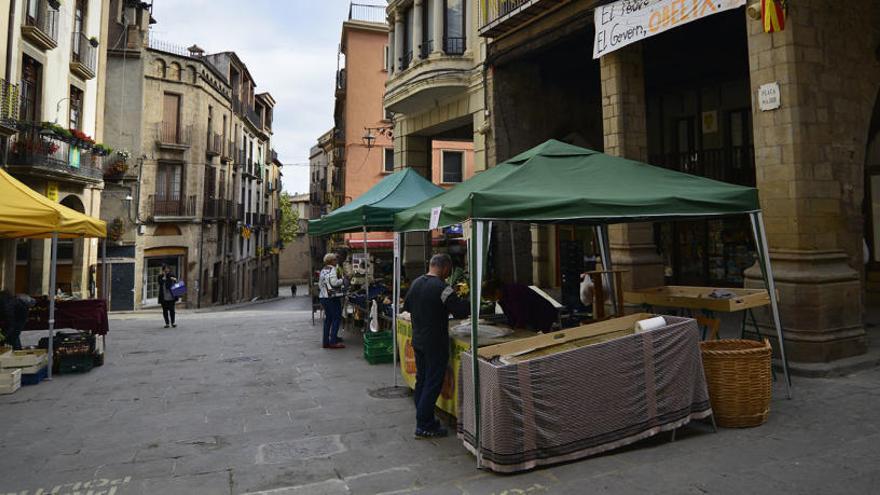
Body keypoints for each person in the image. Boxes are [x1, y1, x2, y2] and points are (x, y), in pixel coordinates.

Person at [403, 254, 470, 439]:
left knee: (422, 380)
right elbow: (461, 310)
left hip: (418, 339)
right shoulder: (443, 288)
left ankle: (424, 418)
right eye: (448, 270)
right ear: (445, 268)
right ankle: (424, 425)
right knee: (433, 382)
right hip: (435, 342)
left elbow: (407, 306)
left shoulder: (416, 283)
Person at [483, 279, 558, 332]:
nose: (493, 301)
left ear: (497, 291)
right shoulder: (502, 299)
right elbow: (510, 316)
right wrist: (512, 328)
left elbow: (522, 313)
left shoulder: (514, 291)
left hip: (543, 314)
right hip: (532, 318)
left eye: (491, 298)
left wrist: (518, 328)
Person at [318, 253, 345, 349]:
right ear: (331, 261)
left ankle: (326, 341)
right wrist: (342, 280)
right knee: (336, 318)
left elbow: (320, 284)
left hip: (323, 297)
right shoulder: (332, 269)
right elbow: (334, 282)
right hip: (332, 297)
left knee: (328, 319)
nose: (336, 261)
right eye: (335, 260)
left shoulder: (323, 270)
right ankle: (333, 341)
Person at [157, 264, 179, 328]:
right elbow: (159, 283)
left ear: (169, 269)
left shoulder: (172, 275)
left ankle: (173, 322)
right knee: (165, 310)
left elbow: (177, 283)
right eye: (165, 269)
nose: (166, 270)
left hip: (171, 296)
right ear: (163, 270)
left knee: (172, 310)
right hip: (163, 296)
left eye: (167, 269)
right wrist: (163, 278)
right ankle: (167, 323)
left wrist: (175, 279)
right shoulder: (160, 276)